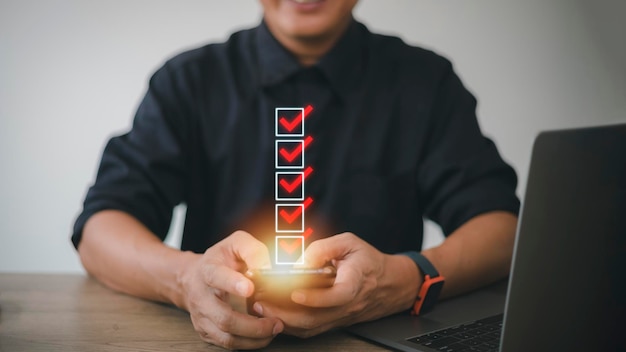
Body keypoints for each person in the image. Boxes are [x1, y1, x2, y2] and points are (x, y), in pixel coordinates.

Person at [72, 0, 520, 350]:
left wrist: (404, 280)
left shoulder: (426, 81)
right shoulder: (189, 80)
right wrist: (186, 280)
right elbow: (101, 229)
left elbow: (502, 230)